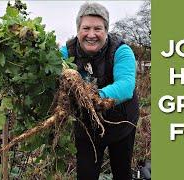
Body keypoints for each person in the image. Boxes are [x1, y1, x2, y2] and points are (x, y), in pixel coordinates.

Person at [60, 2, 139, 180]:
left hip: (122, 123)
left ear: (106, 30)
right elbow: (49, 71)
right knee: (86, 174)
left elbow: (126, 85)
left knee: (122, 172)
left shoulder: (121, 50)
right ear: (78, 29)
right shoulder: (67, 51)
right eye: (86, 28)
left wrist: (93, 98)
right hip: (87, 126)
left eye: (98, 28)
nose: (91, 34)